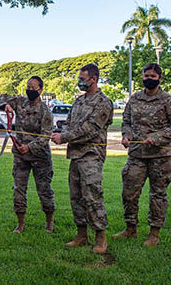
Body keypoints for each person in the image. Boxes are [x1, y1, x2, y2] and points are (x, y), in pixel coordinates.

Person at [115, 63, 171, 247]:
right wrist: (126, 135)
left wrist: (157, 137)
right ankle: (130, 228)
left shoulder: (168, 101)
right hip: (137, 155)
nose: (149, 79)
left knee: (158, 195)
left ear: (160, 79)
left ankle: (154, 232)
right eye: (146, 75)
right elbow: (126, 120)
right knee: (129, 192)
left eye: (153, 76)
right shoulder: (135, 98)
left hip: (161, 156)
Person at [50, 64, 113, 254]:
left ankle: (101, 237)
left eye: (83, 79)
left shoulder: (103, 102)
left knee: (92, 195)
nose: (80, 82)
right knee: (76, 196)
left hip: (92, 155)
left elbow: (92, 129)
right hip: (76, 156)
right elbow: (68, 123)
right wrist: (62, 134)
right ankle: (81, 234)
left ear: (93, 79)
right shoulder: (78, 102)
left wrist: (65, 137)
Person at [0, 76, 55, 233]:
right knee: (19, 189)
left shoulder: (45, 111)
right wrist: (6, 105)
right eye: (28, 87)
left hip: (39, 156)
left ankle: (49, 222)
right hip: (20, 156)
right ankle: (20, 223)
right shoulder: (20, 102)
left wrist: (30, 147)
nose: (30, 91)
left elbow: (46, 135)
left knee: (44, 190)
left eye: (34, 88)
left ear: (41, 90)